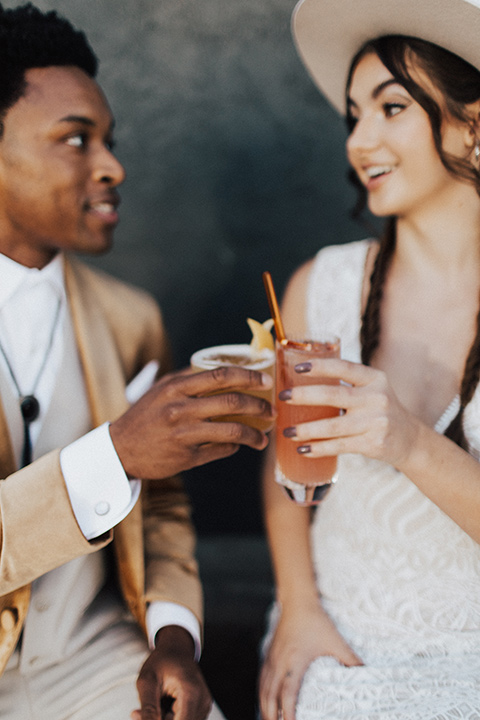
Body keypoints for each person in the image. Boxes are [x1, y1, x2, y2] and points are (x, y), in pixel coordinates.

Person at [0, 4, 275, 720]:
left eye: (110, 141)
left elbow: (164, 507)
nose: (114, 166)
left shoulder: (132, 317)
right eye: (76, 139)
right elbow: (128, 463)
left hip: (95, 654)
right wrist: (119, 451)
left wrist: (174, 640)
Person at [259, 0, 480, 718]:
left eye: (391, 108)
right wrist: (297, 611)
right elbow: (284, 466)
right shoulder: (317, 288)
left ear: (474, 125)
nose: (359, 140)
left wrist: (411, 442)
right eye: (354, 115)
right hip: (338, 634)